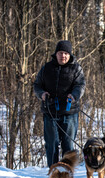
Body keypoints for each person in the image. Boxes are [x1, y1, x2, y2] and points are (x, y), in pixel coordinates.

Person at [34, 40, 86, 168]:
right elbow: (37, 85)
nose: (63, 56)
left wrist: (74, 95)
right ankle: (53, 172)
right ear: (56, 54)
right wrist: (42, 94)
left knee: (68, 145)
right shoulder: (46, 68)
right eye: (60, 53)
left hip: (70, 113)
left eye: (66, 53)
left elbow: (80, 85)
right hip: (50, 111)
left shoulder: (76, 68)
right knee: (51, 144)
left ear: (70, 55)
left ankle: (68, 172)